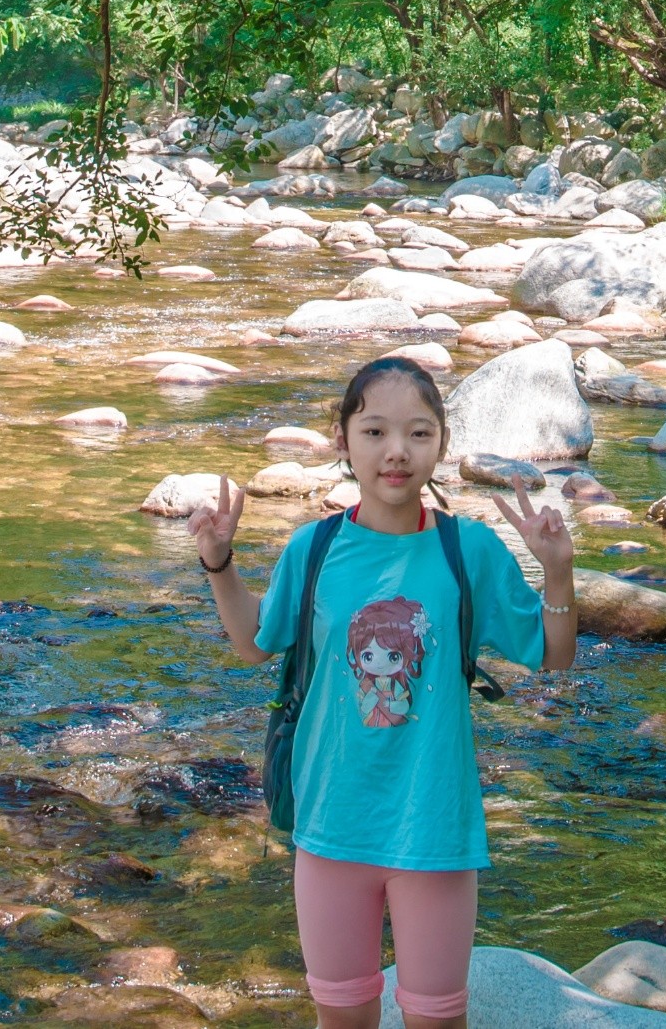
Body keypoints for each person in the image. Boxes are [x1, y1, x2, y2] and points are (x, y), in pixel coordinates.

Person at [191, 354, 580, 1029]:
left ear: (441, 443)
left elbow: (551, 655)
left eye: (418, 432)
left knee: (434, 1018)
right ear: (341, 439)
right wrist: (218, 562)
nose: (396, 451)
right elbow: (255, 642)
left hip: (434, 824)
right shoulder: (311, 548)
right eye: (374, 431)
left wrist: (556, 573)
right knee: (342, 1017)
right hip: (330, 821)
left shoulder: (470, 550)